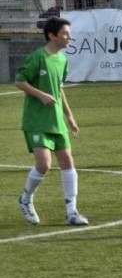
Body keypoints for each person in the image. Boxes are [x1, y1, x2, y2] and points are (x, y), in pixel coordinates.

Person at [15, 17, 88, 226]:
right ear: (52, 35)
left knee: (67, 161)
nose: (69, 37)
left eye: (69, 33)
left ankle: (72, 212)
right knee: (44, 164)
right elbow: (20, 80)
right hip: (37, 120)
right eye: (65, 33)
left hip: (57, 120)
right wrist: (40, 95)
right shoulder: (38, 57)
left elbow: (59, 88)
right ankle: (26, 199)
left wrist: (69, 116)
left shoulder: (63, 60)